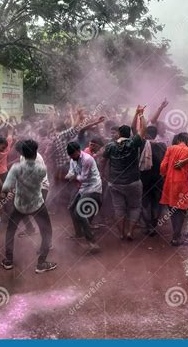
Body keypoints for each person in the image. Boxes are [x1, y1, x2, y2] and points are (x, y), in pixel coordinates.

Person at [0, 139, 57, 273]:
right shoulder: (42, 169)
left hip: (20, 204)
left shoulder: (16, 168)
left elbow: (6, 188)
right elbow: (40, 182)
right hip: (36, 204)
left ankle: (8, 261)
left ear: (22, 153)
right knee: (47, 232)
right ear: (35, 151)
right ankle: (41, 263)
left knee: (10, 231)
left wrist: (2, 201)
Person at [102, 105, 146, 241]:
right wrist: (141, 114)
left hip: (115, 183)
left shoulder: (110, 146)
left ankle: (121, 233)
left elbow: (103, 162)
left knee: (118, 209)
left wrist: (104, 175)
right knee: (134, 207)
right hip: (133, 182)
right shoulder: (133, 143)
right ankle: (130, 233)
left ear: (119, 134)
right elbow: (142, 130)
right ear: (130, 135)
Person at [160, 132, 188, 246]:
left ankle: (176, 235)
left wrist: (164, 175)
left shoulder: (170, 149)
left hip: (169, 184)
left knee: (172, 209)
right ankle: (177, 236)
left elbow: (163, 166)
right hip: (183, 184)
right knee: (181, 209)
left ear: (178, 139)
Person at [65, 141, 103, 252]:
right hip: (83, 188)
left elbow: (84, 177)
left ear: (78, 151)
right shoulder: (73, 159)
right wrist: (65, 176)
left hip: (93, 187)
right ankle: (79, 233)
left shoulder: (87, 159)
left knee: (79, 211)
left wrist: (72, 177)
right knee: (71, 208)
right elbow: (71, 173)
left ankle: (92, 242)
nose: (72, 157)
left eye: (73, 155)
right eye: (70, 156)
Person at [139, 125, 167, 237]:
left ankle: (148, 226)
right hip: (159, 178)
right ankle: (154, 225)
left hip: (144, 178)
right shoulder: (162, 146)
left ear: (145, 134)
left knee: (145, 202)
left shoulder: (141, 145)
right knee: (156, 202)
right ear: (156, 134)